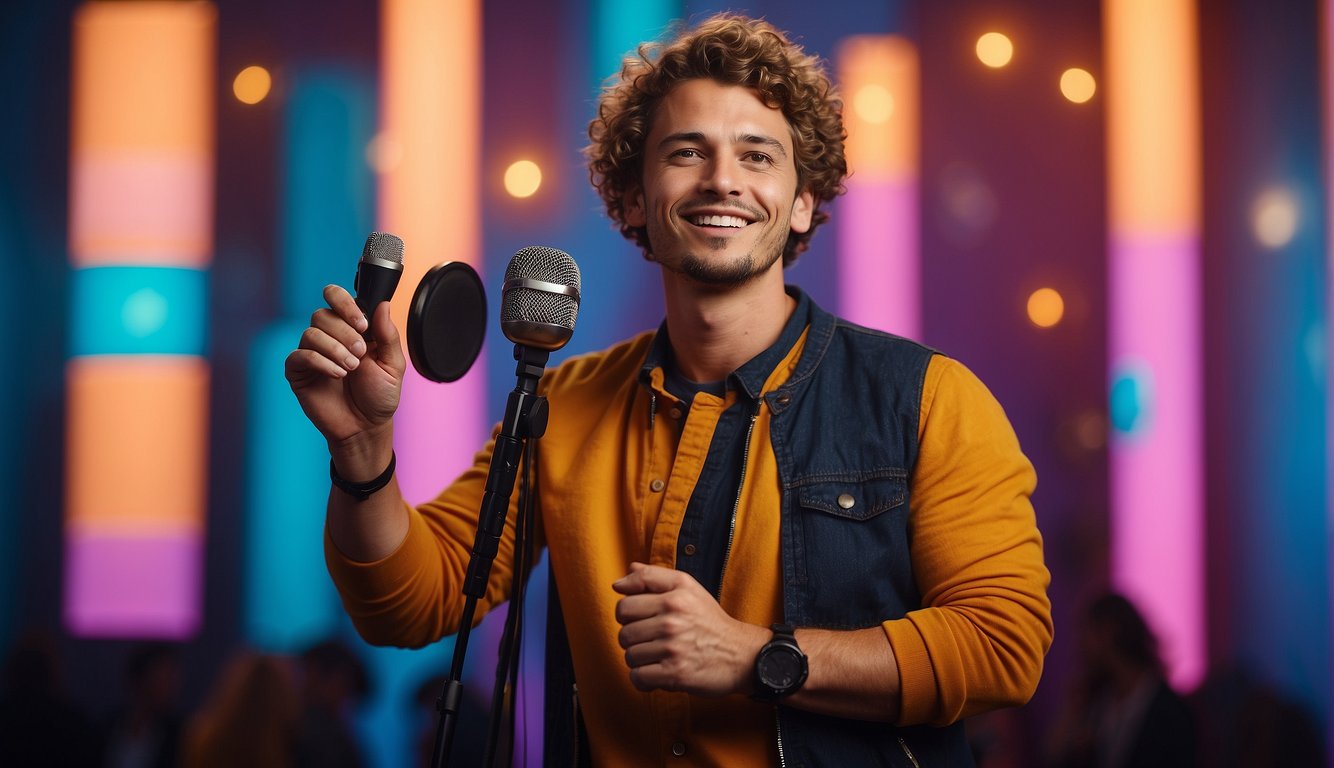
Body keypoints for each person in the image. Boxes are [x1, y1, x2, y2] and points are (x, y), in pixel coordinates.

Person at [285, 13, 1052, 766]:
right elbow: (413, 602)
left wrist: (760, 657)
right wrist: (360, 447)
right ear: (629, 198)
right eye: (688, 152)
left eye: (758, 157)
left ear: (804, 202)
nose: (724, 180)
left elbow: (1003, 646)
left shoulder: (929, 398)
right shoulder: (565, 406)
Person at [1043, 593, 1195, 768]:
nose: (1079, 644)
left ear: (1108, 632)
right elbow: (1052, 756)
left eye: (1085, 632)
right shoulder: (1094, 705)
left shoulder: (1171, 711)